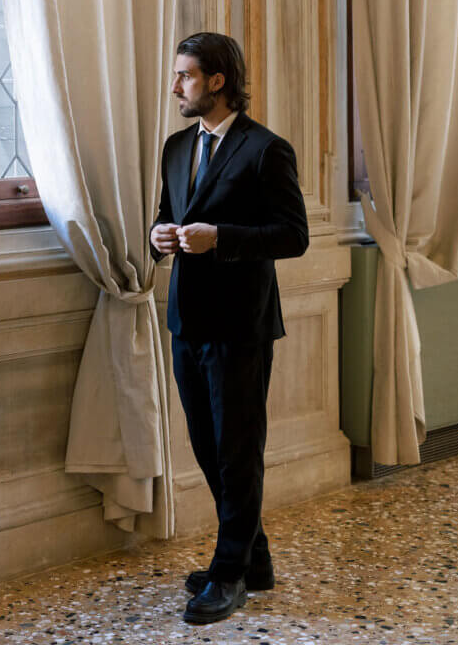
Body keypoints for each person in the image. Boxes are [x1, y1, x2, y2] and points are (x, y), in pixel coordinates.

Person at [150, 32, 309, 625]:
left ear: (217, 81)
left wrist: (224, 238)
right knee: (209, 448)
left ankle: (229, 572)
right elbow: (169, 214)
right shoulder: (173, 147)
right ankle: (254, 558)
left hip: (241, 325)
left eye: (185, 76)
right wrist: (156, 236)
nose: (176, 87)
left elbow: (294, 236)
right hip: (187, 320)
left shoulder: (267, 150)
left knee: (239, 452)